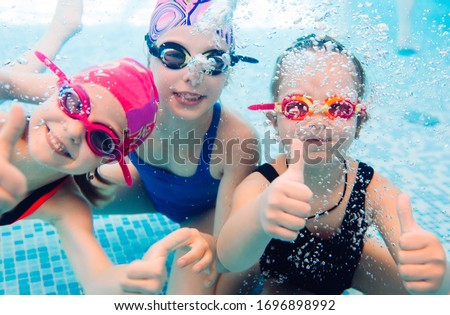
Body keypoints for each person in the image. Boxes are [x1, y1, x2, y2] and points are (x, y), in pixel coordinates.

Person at [216, 34, 450, 294]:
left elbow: (410, 247)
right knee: (223, 290)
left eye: (339, 108)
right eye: (297, 107)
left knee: (424, 291)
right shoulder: (262, 185)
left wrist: (437, 275)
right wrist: (259, 216)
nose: (317, 120)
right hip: (275, 273)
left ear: (359, 123)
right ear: (274, 121)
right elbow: (229, 259)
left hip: (349, 266)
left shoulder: (370, 188)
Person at [0, 51, 214, 294]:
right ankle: (59, 33)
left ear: (105, 161)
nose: (73, 130)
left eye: (102, 139)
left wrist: (124, 282)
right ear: (54, 93)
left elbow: (97, 278)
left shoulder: (66, 205)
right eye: (73, 102)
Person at [96, 0, 262, 294]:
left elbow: (228, 253)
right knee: (54, 185)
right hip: (147, 191)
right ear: (149, 57)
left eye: (213, 63)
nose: (193, 76)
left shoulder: (236, 140)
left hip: (207, 215)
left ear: (228, 71)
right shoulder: (126, 106)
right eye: (174, 56)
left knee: (185, 289)